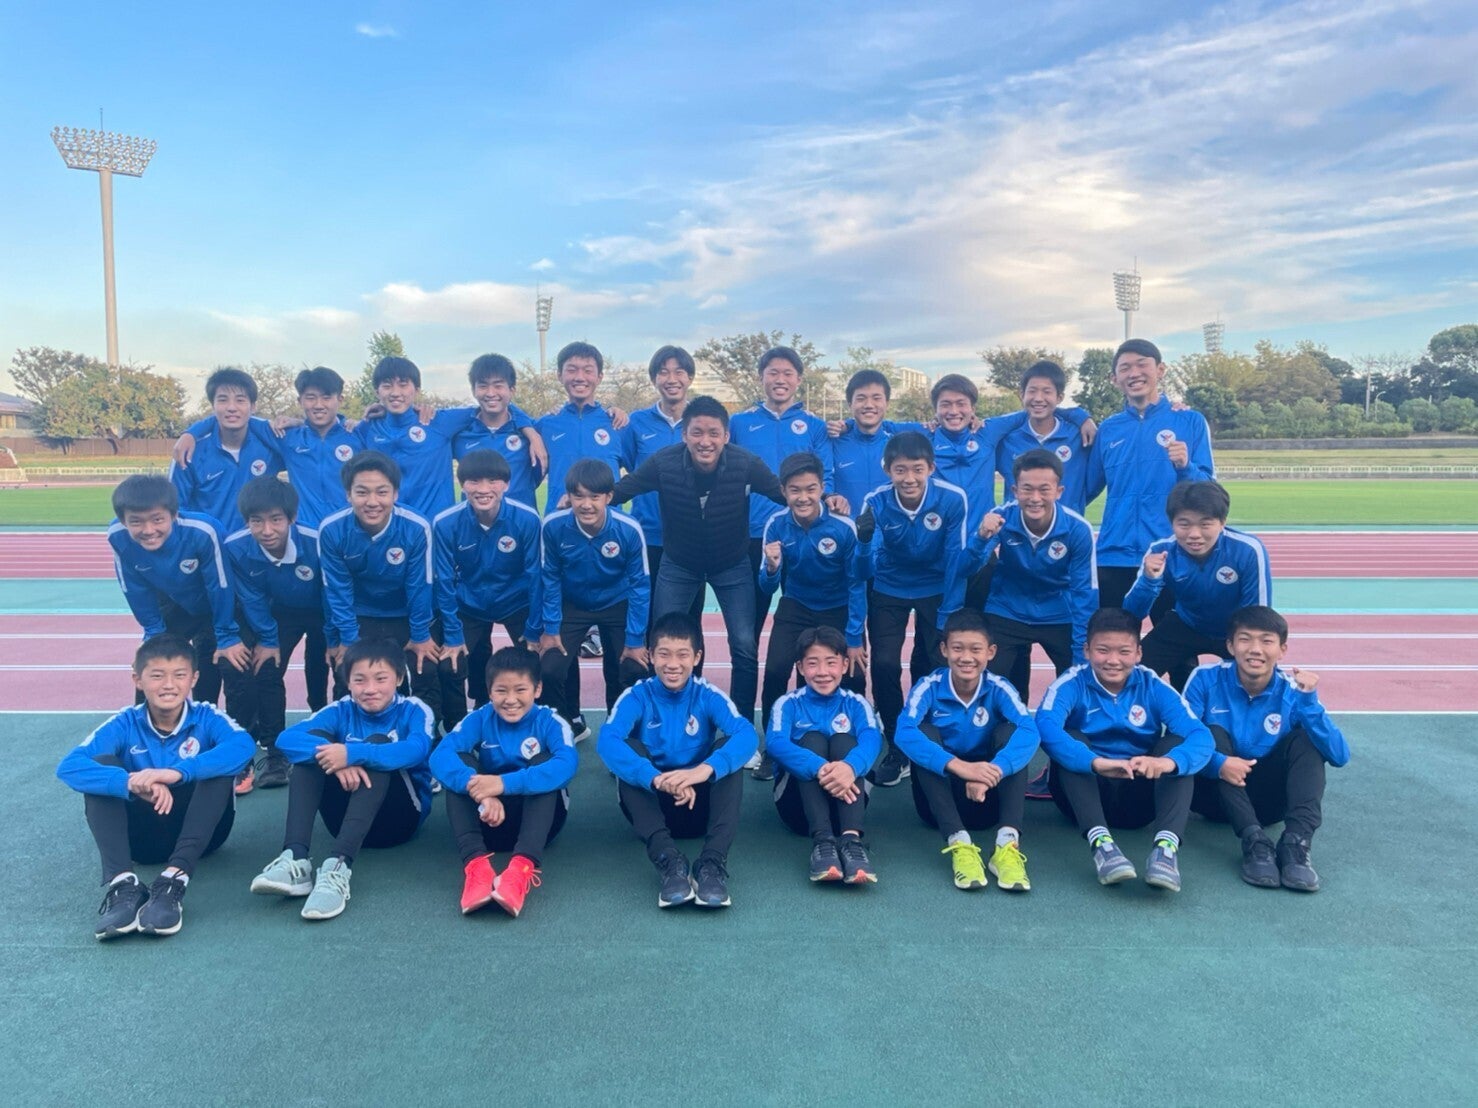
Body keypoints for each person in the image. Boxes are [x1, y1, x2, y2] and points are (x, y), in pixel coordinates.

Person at [56, 635, 253, 939]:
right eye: (157, 676)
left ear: (194, 679)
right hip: (142, 842)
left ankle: (174, 880)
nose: (169, 685)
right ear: (138, 679)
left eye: (179, 675)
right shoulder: (125, 722)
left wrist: (175, 773)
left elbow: (243, 746)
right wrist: (129, 782)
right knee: (102, 766)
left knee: (218, 766)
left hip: (205, 836)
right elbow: (69, 766)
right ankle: (123, 884)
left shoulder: (207, 716)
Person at [610, 395, 786, 727]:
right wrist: (583, 498)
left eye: (713, 433)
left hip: (732, 564)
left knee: (744, 645)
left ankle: (741, 727)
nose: (705, 441)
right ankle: (665, 721)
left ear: (726, 436)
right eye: (697, 433)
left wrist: (827, 501)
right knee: (664, 640)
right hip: (680, 562)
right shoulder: (663, 463)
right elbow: (621, 490)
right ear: (685, 435)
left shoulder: (746, 463)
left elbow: (786, 493)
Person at [249, 639, 434, 921]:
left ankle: (338, 866)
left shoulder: (414, 709)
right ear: (348, 682)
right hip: (342, 821)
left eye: (380, 679)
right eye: (360, 680)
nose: (370, 688)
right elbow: (286, 739)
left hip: (400, 821)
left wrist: (352, 754)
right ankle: (295, 859)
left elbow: (416, 749)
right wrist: (334, 761)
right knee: (312, 754)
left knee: (378, 746)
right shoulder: (340, 709)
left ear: (398, 678)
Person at [1036, 607, 1214, 893]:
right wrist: (1094, 762)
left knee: (1175, 747)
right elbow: (1045, 727)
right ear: (1087, 650)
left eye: (1124, 651)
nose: (1113, 660)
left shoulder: (1153, 685)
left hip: (1137, 797)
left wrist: (1166, 763)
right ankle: (1102, 845)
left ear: (1138, 653)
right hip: (1085, 794)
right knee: (1072, 739)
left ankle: (1166, 850)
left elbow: (1201, 736)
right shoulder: (1070, 683)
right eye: (1103, 650)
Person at [598, 613, 758, 909]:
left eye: (682, 655)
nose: (673, 664)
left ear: (697, 657)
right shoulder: (637, 696)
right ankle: (669, 861)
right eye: (664, 654)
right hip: (654, 804)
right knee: (629, 749)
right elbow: (606, 740)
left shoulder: (707, 695)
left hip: (700, 805)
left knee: (727, 752)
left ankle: (712, 862)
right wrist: (655, 778)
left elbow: (747, 734)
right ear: (650, 655)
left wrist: (703, 771)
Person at [1186, 606, 1350, 892]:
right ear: (1230, 646)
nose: (1255, 649)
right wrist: (1218, 764)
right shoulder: (1204, 678)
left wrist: (1308, 702)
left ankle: (1296, 843)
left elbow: (1339, 755)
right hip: (1213, 798)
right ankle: (1255, 843)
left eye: (1266, 641)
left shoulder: (1294, 691)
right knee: (1211, 734)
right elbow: (1181, 738)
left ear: (1282, 650)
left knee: (1307, 740)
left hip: (1269, 804)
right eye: (1245, 639)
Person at [892, 611, 1039, 892]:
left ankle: (1007, 844)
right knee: (924, 734)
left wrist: (993, 771)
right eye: (958, 648)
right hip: (938, 804)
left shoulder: (999, 687)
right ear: (944, 649)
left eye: (975, 649)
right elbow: (903, 731)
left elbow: (1030, 730)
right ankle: (958, 842)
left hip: (986, 794)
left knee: (1010, 733)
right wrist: (961, 768)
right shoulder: (929, 686)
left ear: (990, 652)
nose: (966, 657)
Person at [857, 431, 970, 785]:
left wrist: (948, 614)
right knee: (884, 664)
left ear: (931, 468)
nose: (909, 478)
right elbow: (863, 567)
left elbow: (955, 559)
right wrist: (863, 541)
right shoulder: (875, 501)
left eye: (917, 469)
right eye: (900, 469)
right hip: (889, 586)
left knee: (932, 663)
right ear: (887, 470)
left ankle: (927, 737)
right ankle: (897, 747)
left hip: (935, 587)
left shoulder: (952, 498)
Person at [429, 646, 577, 918]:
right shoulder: (480, 718)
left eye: (520, 690)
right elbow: (440, 756)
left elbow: (567, 765)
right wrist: (481, 792)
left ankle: (521, 869)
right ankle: (476, 867)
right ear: (489, 691)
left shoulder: (551, 721)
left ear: (537, 689)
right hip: (488, 819)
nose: (510, 700)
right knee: (460, 763)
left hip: (541, 824)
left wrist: (502, 784)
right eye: (501, 691)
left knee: (544, 763)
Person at [1085, 339, 1215, 613]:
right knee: (1110, 637)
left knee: (1174, 638)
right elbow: (1084, 488)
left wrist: (1186, 466)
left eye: (1142, 365)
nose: (1134, 373)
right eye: (1125, 368)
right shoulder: (1108, 429)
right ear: (1114, 379)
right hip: (1114, 555)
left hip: (1171, 553)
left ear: (1160, 370)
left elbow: (1210, 492)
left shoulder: (1190, 421)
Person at [222, 476, 333, 792]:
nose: (266, 530)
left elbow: (333, 590)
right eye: (257, 521)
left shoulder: (317, 541)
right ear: (247, 521)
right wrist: (269, 640)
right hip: (280, 614)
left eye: (275, 520)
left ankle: (323, 721)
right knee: (266, 668)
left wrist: (335, 637)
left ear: (292, 518)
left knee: (327, 664)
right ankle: (274, 752)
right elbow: (252, 597)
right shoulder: (236, 547)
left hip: (324, 611)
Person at [730, 346, 841, 656]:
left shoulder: (815, 426)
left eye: (788, 373)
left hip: (804, 533)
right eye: (773, 373)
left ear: (799, 379)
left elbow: (827, 475)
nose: (780, 379)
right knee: (747, 630)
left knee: (808, 625)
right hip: (752, 535)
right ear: (761, 377)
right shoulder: (738, 423)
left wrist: (828, 502)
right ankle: (744, 686)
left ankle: (810, 686)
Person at [969, 449, 1098, 704]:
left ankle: (1071, 723)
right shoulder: (1001, 517)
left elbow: (1085, 594)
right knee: (989, 684)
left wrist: (1080, 658)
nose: (1035, 498)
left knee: (1080, 678)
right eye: (1027, 489)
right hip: (1007, 609)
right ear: (1015, 490)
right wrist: (980, 539)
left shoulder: (1077, 529)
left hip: (1058, 611)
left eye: (1044, 489)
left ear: (1059, 491)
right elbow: (967, 569)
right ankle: (1005, 725)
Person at [107, 475, 248, 708]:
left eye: (157, 519)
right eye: (136, 522)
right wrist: (153, 633)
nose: (148, 530)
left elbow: (220, 585)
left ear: (174, 515)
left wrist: (226, 634)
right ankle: (149, 724)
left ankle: (233, 725)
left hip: (223, 602)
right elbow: (134, 589)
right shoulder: (117, 536)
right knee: (154, 658)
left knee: (230, 659)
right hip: (177, 602)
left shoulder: (203, 531)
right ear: (123, 521)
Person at [317, 452, 440, 715]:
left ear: (395, 494)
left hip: (404, 613)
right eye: (362, 492)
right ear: (348, 495)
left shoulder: (416, 527)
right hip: (361, 614)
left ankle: (425, 730)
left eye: (381, 492)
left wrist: (420, 635)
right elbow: (337, 591)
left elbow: (419, 586)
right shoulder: (331, 530)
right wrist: (348, 638)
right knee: (348, 668)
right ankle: (347, 730)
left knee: (424, 667)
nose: (372, 502)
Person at [537, 459, 651, 735]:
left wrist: (635, 639)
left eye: (594, 497)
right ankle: (566, 726)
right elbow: (549, 579)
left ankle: (620, 731)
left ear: (609, 497)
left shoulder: (628, 529)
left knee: (631, 666)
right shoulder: (553, 526)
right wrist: (551, 628)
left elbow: (640, 586)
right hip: (573, 604)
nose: (586, 504)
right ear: (569, 497)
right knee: (550, 667)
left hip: (616, 601)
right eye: (579, 496)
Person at [433, 450, 542, 730]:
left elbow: (536, 577)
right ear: (462, 485)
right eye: (474, 481)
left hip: (516, 602)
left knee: (541, 659)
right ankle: (459, 728)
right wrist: (453, 635)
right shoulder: (445, 523)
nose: (483, 489)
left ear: (506, 484)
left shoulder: (527, 519)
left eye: (492, 481)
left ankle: (540, 723)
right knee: (450, 664)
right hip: (470, 604)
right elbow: (444, 581)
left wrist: (533, 629)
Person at [1125, 480, 1271, 689]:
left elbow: (1259, 614)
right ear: (1172, 523)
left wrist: (1248, 650)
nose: (1194, 534)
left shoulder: (1248, 549)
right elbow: (1132, 613)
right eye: (1184, 524)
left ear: (1222, 522)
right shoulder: (1161, 551)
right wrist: (1149, 580)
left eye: (1205, 524)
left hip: (1235, 630)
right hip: (1187, 623)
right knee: (1129, 673)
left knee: (1256, 677)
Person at [758, 452, 868, 729]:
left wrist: (854, 638)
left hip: (838, 606)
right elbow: (766, 586)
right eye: (795, 490)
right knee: (775, 670)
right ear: (783, 491)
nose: (803, 497)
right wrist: (771, 568)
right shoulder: (776, 524)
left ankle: (853, 732)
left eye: (811, 489)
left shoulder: (843, 526)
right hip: (796, 604)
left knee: (854, 672)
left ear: (822, 488)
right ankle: (775, 737)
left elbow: (857, 584)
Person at [174, 366, 358, 529]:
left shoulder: (357, 435)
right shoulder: (286, 438)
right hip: (298, 535)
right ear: (300, 401)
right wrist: (190, 433)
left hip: (346, 535)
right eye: (311, 398)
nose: (232, 408)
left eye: (326, 397)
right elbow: (174, 510)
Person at [767, 627, 883, 885]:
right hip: (798, 811)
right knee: (812, 740)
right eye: (812, 663)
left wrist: (850, 767)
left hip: (848, 807)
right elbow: (775, 743)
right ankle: (822, 842)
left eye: (831, 662)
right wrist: (821, 767)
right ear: (800, 667)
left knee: (845, 742)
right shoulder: (788, 703)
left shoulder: (857, 703)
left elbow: (873, 739)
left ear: (844, 665)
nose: (822, 672)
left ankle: (852, 841)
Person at [168, 367, 285, 533]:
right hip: (209, 546)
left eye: (240, 400)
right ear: (213, 405)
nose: (231, 407)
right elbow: (174, 510)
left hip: (256, 543)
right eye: (223, 400)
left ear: (253, 407)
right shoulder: (189, 452)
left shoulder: (269, 445)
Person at [995, 360, 1095, 514]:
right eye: (1032, 391)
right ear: (1022, 395)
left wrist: (1074, 505)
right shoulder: (1006, 440)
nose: (1038, 398)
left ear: (1059, 397)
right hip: (1016, 527)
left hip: (1066, 526)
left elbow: (1096, 481)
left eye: (1047, 392)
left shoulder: (1078, 435)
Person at [451, 354, 544, 507]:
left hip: (520, 520)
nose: (490, 393)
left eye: (498, 386)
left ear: (512, 390)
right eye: (483, 386)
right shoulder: (460, 435)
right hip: (472, 520)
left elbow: (539, 475)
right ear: (473, 390)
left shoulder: (532, 432)